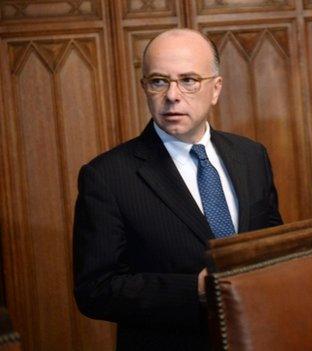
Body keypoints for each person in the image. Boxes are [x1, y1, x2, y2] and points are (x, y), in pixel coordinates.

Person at [73, 28, 282, 350]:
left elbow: (272, 244)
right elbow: (95, 290)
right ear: (145, 88)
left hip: (260, 337)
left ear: (215, 89)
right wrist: (193, 290)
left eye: (188, 80)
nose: (172, 95)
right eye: (158, 81)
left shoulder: (251, 155)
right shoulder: (107, 176)